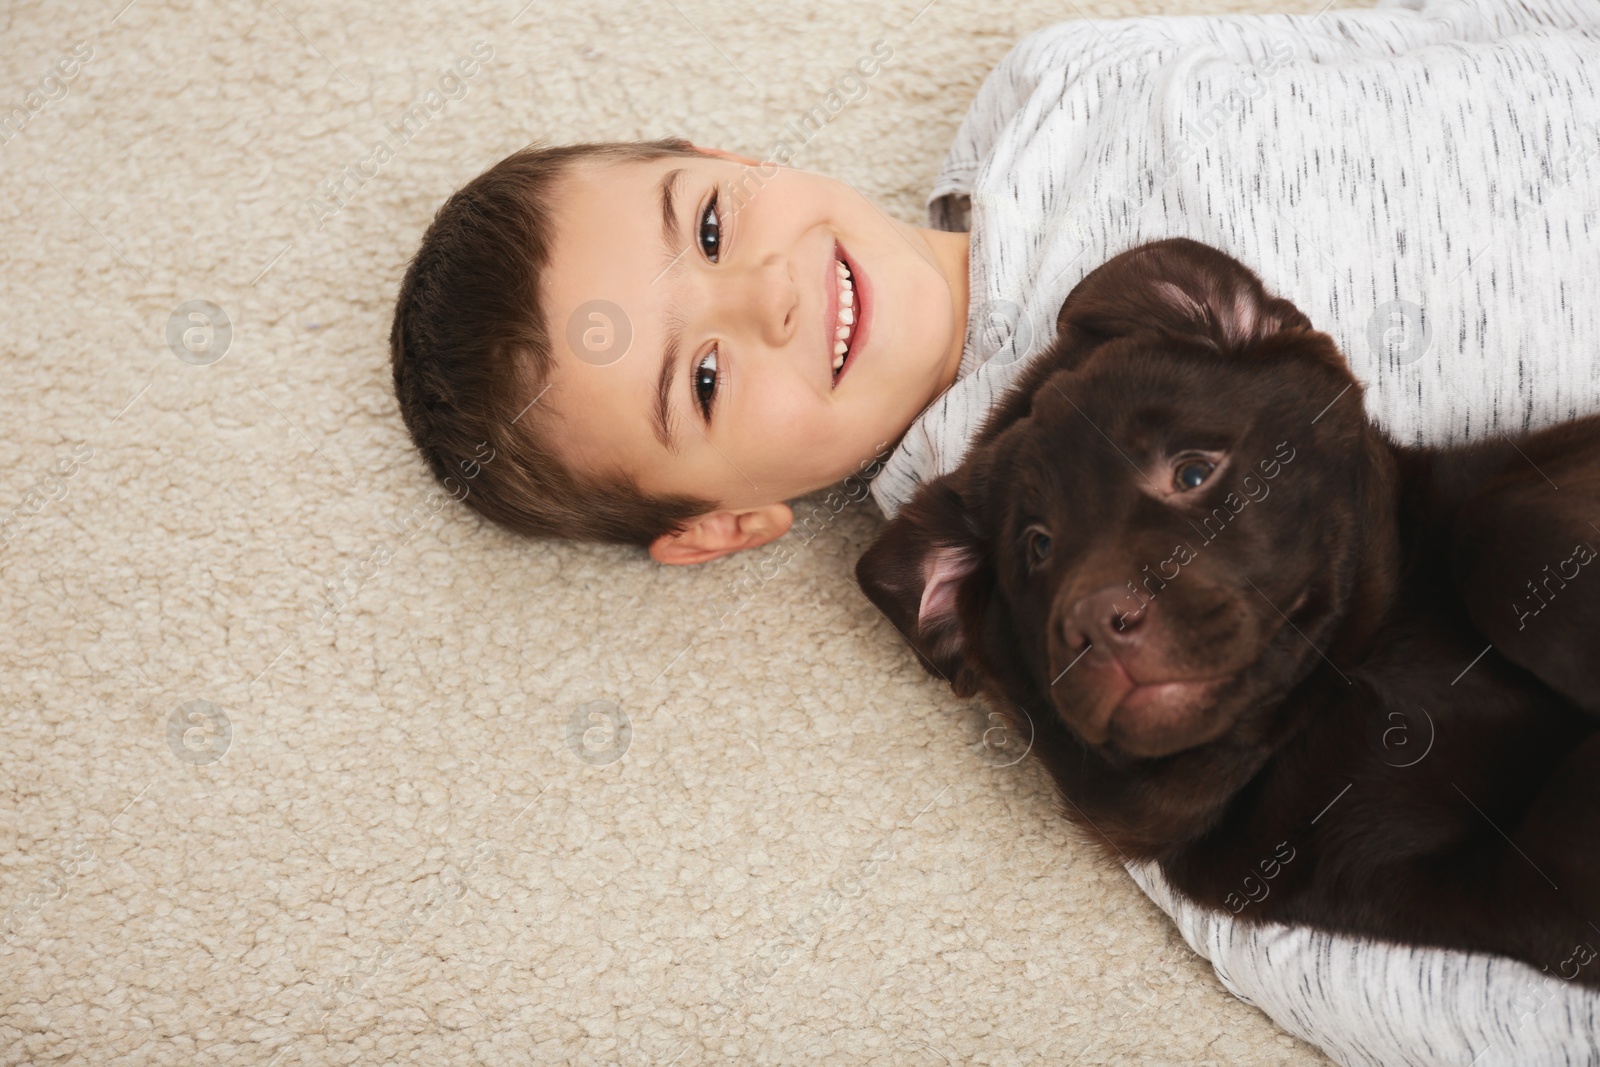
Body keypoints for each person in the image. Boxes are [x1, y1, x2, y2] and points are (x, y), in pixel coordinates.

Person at [389, 0, 1600, 1060]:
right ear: (722, 523)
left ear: (726, 156)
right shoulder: (997, 584)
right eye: (700, 380)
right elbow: (1329, 884)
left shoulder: (1067, 87)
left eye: (708, 228)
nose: (766, 291)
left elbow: (1442, 37)